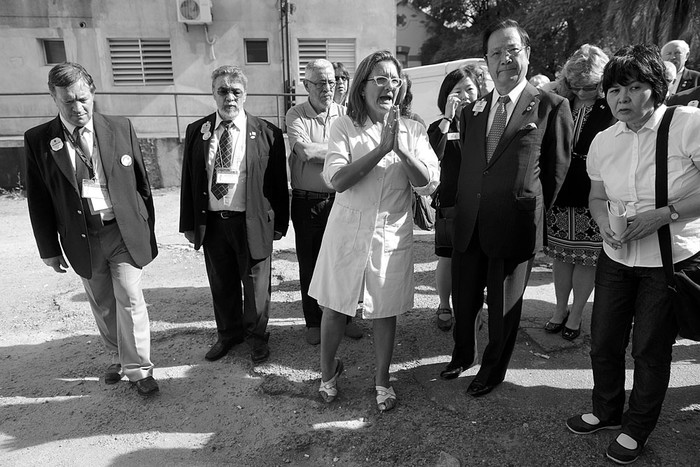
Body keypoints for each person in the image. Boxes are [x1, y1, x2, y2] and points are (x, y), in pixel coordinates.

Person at [566, 44, 700, 465]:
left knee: (649, 351)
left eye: (635, 87)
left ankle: (637, 427)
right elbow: (597, 195)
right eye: (615, 90)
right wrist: (603, 221)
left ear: (656, 89)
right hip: (615, 258)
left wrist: (666, 213)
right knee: (603, 341)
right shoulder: (605, 140)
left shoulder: (687, 125)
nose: (622, 98)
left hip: (669, 262)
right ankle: (606, 411)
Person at [440, 19, 573, 397]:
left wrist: (525, 205)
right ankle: (462, 354)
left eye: (512, 50)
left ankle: (492, 370)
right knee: (464, 301)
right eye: (496, 53)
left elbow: (556, 172)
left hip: (513, 227)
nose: (505, 60)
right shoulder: (473, 110)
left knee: (502, 310)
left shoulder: (550, 106)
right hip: (470, 224)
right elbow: (471, 164)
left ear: (526, 54)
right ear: (486, 60)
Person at [308, 50, 439, 411]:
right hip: (347, 230)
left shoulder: (413, 129)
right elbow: (337, 178)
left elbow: (428, 183)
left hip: (391, 232)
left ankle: (382, 380)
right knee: (334, 306)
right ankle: (328, 372)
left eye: (395, 80)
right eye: (380, 79)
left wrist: (400, 148)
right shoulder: (344, 126)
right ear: (363, 86)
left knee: (384, 310)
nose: (389, 87)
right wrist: (381, 150)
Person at [24, 62, 159, 396]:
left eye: (83, 98)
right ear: (53, 97)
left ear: (93, 92)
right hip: (82, 235)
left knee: (129, 297)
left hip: (122, 231)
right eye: (68, 101)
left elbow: (143, 186)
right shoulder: (39, 140)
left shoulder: (120, 127)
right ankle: (117, 355)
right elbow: (38, 200)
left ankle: (139, 369)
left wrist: (147, 231)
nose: (78, 107)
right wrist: (49, 249)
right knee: (102, 303)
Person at [179, 65, 289, 364]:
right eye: (223, 91)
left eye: (235, 92)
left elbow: (278, 183)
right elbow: (189, 180)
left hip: (250, 222)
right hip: (214, 223)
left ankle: (257, 338)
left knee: (256, 287)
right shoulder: (196, 131)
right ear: (213, 93)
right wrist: (189, 223)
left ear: (245, 94)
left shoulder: (268, 133)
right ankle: (228, 335)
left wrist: (280, 224)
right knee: (221, 282)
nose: (230, 97)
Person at [541, 45, 616, 341]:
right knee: (561, 255)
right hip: (560, 188)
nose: (582, 91)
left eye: (589, 86)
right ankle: (559, 309)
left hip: (594, 190)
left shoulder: (610, 103)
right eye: (576, 85)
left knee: (586, 257)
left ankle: (576, 312)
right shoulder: (561, 98)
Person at [285, 59, 362, 345]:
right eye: (320, 83)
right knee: (310, 262)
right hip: (307, 203)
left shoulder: (345, 114)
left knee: (346, 260)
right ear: (306, 85)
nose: (328, 88)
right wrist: (341, 152)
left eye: (332, 81)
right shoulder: (296, 114)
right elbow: (304, 151)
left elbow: (357, 152)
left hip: (342, 198)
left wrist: (334, 153)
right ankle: (313, 321)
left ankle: (346, 317)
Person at [427, 65, 482, 331]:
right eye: (457, 91)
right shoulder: (438, 126)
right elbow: (432, 156)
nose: (465, 95)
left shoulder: (487, 123)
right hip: (449, 201)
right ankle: (444, 305)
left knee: (476, 259)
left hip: (480, 202)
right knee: (446, 258)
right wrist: (448, 119)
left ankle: (472, 306)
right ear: (447, 96)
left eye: (470, 89)